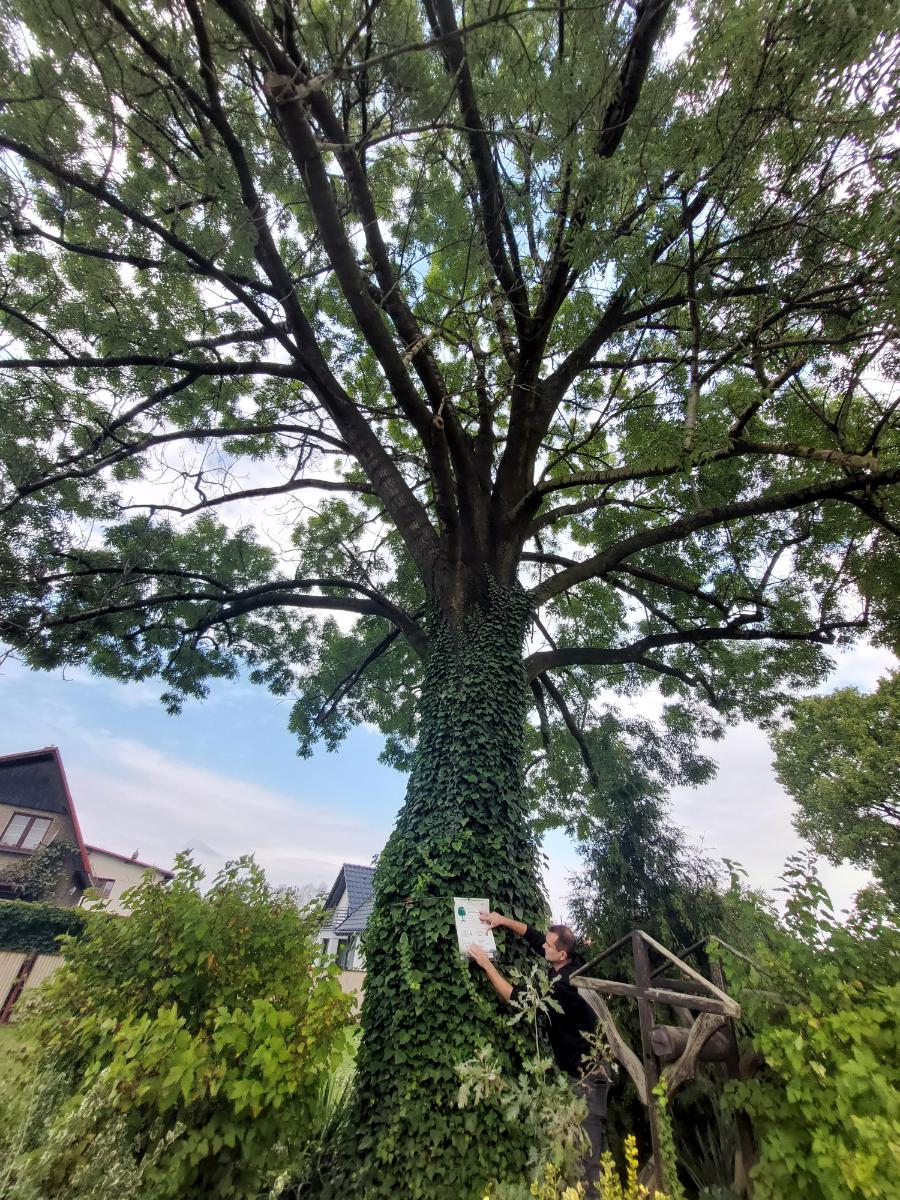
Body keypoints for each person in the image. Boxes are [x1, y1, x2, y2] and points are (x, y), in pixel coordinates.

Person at [468, 911, 609, 1192]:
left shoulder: (563, 986)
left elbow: (516, 998)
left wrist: (486, 965)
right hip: (580, 1072)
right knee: (576, 1148)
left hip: (589, 1078)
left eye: (549, 946)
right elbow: (533, 936)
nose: (542, 946)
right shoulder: (570, 962)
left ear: (562, 954)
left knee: (586, 1155)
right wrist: (502, 920)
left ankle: (591, 1195)